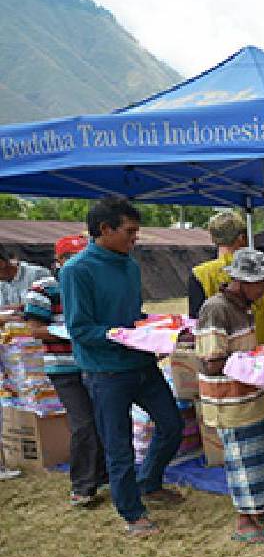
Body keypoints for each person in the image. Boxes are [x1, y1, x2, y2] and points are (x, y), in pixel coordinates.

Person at [61, 198, 184, 537]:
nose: (135, 239)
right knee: (119, 446)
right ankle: (132, 512)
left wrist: (158, 327)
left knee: (172, 426)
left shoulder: (129, 265)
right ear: (105, 230)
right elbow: (80, 329)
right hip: (107, 372)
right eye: (130, 232)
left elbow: (132, 315)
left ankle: (150, 482)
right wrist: (123, 335)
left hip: (142, 364)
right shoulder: (76, 271)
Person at [188, 210, 264, 482]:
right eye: (261, 285)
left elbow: (195, 326)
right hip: (243, 373)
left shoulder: (201, 275)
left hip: (255, 359)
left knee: (259, 435)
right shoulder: (253, 271)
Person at [196, 249, 264, 543]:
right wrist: (257, 361)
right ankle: (244, 520)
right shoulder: (216, 309)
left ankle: (261, 507)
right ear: (241, 281)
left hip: (250, 396)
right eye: (261, 284)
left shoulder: (242, 306)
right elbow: (212, 361)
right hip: (229, 400)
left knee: (261, 453)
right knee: (242, 462)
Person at [22, 234, 107, 506]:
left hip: (94, 363)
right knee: (83, 422)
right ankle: (82, 486)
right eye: (71, 258)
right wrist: (69, 334)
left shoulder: (94, 282)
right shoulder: (44, 288)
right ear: (58, 262)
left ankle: (103, 474)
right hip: (64, 367)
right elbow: (35, 329)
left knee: (104, 419)